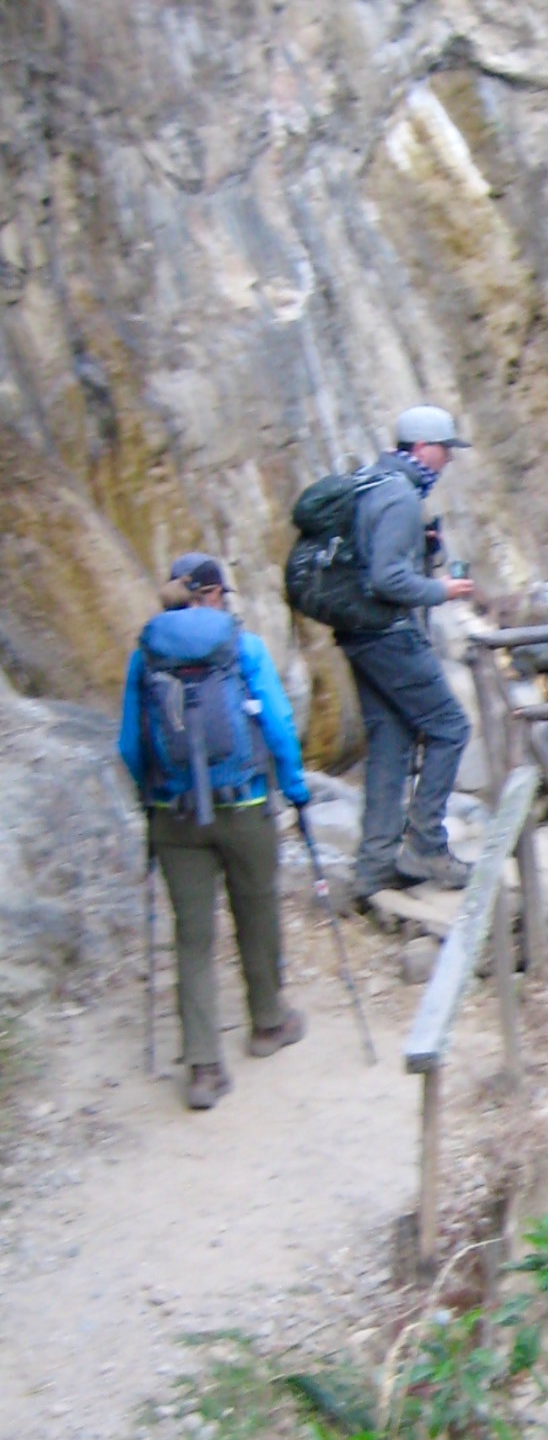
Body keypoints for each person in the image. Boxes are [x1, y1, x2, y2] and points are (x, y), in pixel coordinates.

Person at [119, 554, 309, 1111]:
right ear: (213, 594)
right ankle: (269, 1024)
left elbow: (130, 744)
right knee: (257, 910)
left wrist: (147, 799)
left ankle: (203, 1068)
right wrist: (295, 788)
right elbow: (276, 724)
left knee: (192, 938)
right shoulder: (242, 648)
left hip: (173, 815)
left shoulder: (145, 657)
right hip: (244, 804)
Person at [341, 405, 476, 904]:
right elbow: (387, 579)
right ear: (422, 448)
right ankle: (425, 845)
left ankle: (374, 866)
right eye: (445, 450)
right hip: (390, 635)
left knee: (391, 743)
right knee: (451, 728)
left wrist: (423, 551)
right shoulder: (400, 497)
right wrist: (441, 589)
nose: (448, 461)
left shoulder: (370, 482)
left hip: (359, 634)